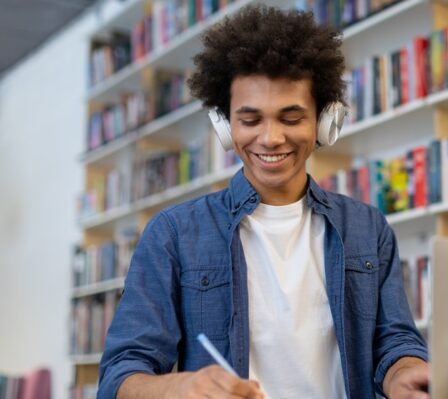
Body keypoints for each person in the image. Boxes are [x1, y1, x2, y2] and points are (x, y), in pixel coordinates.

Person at [97, 5, 429, 399]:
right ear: (224, 126)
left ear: (324, 122)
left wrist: (403, 373)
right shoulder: (174, 234)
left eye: (290, 118)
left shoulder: (367, 228)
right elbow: (121, 374)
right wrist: (178, 387)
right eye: (251, 120)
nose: (270, 138)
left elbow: (395, 344)